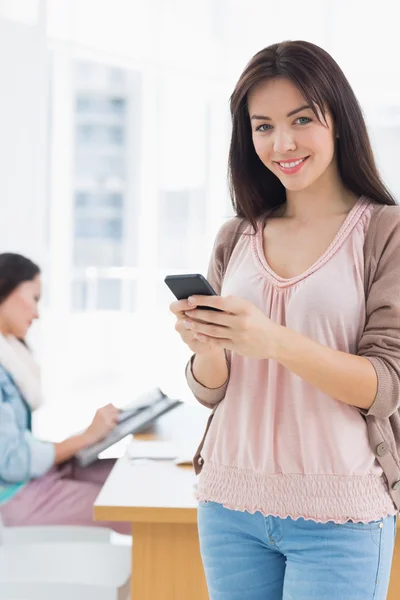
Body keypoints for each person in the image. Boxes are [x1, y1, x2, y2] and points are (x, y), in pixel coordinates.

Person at [170, 40, 400, 600]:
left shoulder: (383, 232)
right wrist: (204, 345)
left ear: (338, 122)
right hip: (230, 503)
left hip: (338, 512)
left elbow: (387, 386)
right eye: (263, 126)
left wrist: (273, 340)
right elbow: (211, 391)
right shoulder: (237, 235)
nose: (283, 143)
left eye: (302, 120)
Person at [0, 253, 130, 534]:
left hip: (33, 477)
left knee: (129, 476)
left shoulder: (9, 355)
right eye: (34, 299)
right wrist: (84, 438)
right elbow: (11, 462)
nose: (37, 313)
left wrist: (87, 439)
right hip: (14, 495)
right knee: (134, 506)